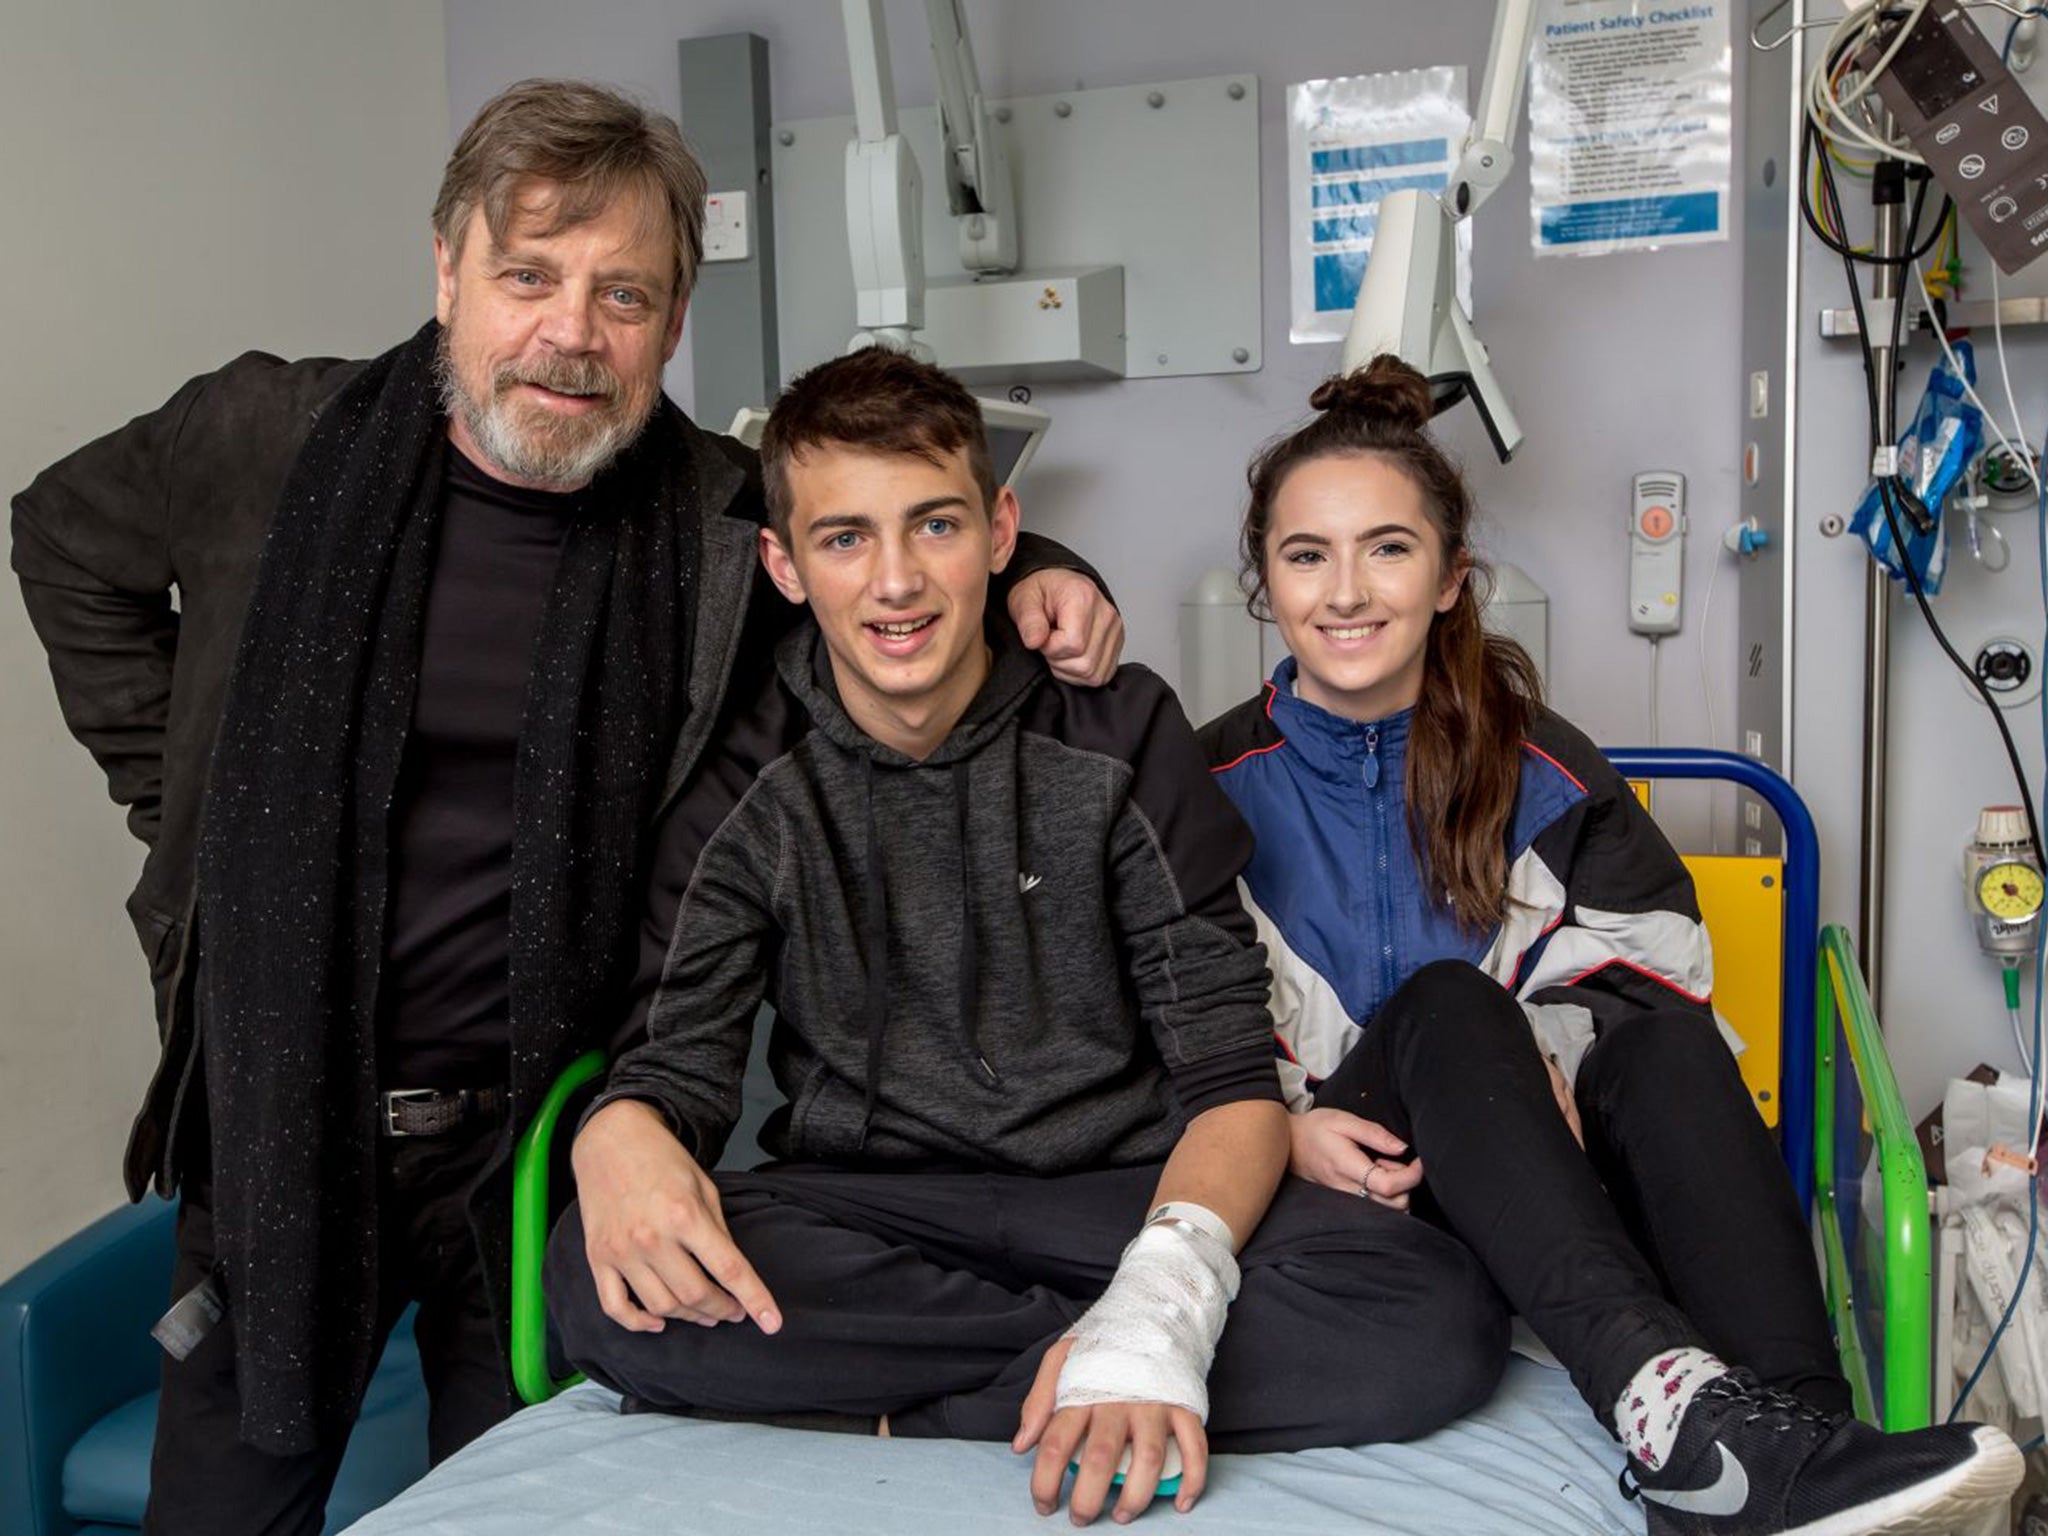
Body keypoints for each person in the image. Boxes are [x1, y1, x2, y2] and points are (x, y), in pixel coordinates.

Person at [10, 80, 1120, 1536]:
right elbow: (59, 534)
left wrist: (1057, 575)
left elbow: (887, 559)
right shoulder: (273, 436)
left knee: (537, 1510)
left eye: (624, 295)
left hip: (539, 1143)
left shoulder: (720, 525)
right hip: (284, 1107)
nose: (570, 333)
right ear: (448, 269)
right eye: (529, 275)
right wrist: (188, 804)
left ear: (671, 328)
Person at [545, 345, 1514, 1525]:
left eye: (935, 527)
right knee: (596, 1287)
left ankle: (983, 1393)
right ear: (783, 564)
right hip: (870, 1205)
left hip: (1120, 1187)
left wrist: (1159, 1295)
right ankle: (1079, 1377)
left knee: (1429, 1311)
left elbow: (1227, 1080)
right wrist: (621, 1130)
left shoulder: (1118, 731)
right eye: (844, 538)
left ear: (1002, 530)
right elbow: (674, 1064)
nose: (896, 582)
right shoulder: (744, 786)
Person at [1198, 354, 2022, 1535]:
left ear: (1447, 579)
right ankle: (1672, 1410)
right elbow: (1144, 1024)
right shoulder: (1199, 789)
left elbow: (1658, 969)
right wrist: (1276, 1126)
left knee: (1669, 1054)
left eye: (1386, 548)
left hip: (1550, 1176)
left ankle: (1799, 1445)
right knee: (1441, 1001)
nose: (1345, 592)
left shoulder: (1544, 765)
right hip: (1343, 1187)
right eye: (1304, 554)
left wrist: (1539, 1053)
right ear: (1262, 582)